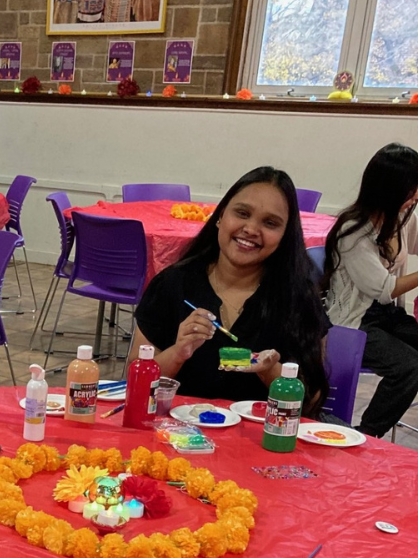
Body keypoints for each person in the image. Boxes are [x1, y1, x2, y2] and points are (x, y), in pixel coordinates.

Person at [128, 166, 330, 415]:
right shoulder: (172, 284)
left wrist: (270, 371)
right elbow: (134, 383)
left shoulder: (299, 298)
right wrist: (178, 353)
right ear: (221, 216)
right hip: (177, 432)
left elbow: (311, 401)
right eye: (242, 213)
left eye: (270, 223)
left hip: (263, 436)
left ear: (285, 235)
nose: (251, 229)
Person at [322, 143, 418, 437]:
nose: (415, 197)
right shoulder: (354, 231)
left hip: (386, 315)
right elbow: (385, 289)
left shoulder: (401, 218)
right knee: (408, 366)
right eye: (410, 190)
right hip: (354, 320)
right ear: (390, 189)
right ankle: (366, 434)